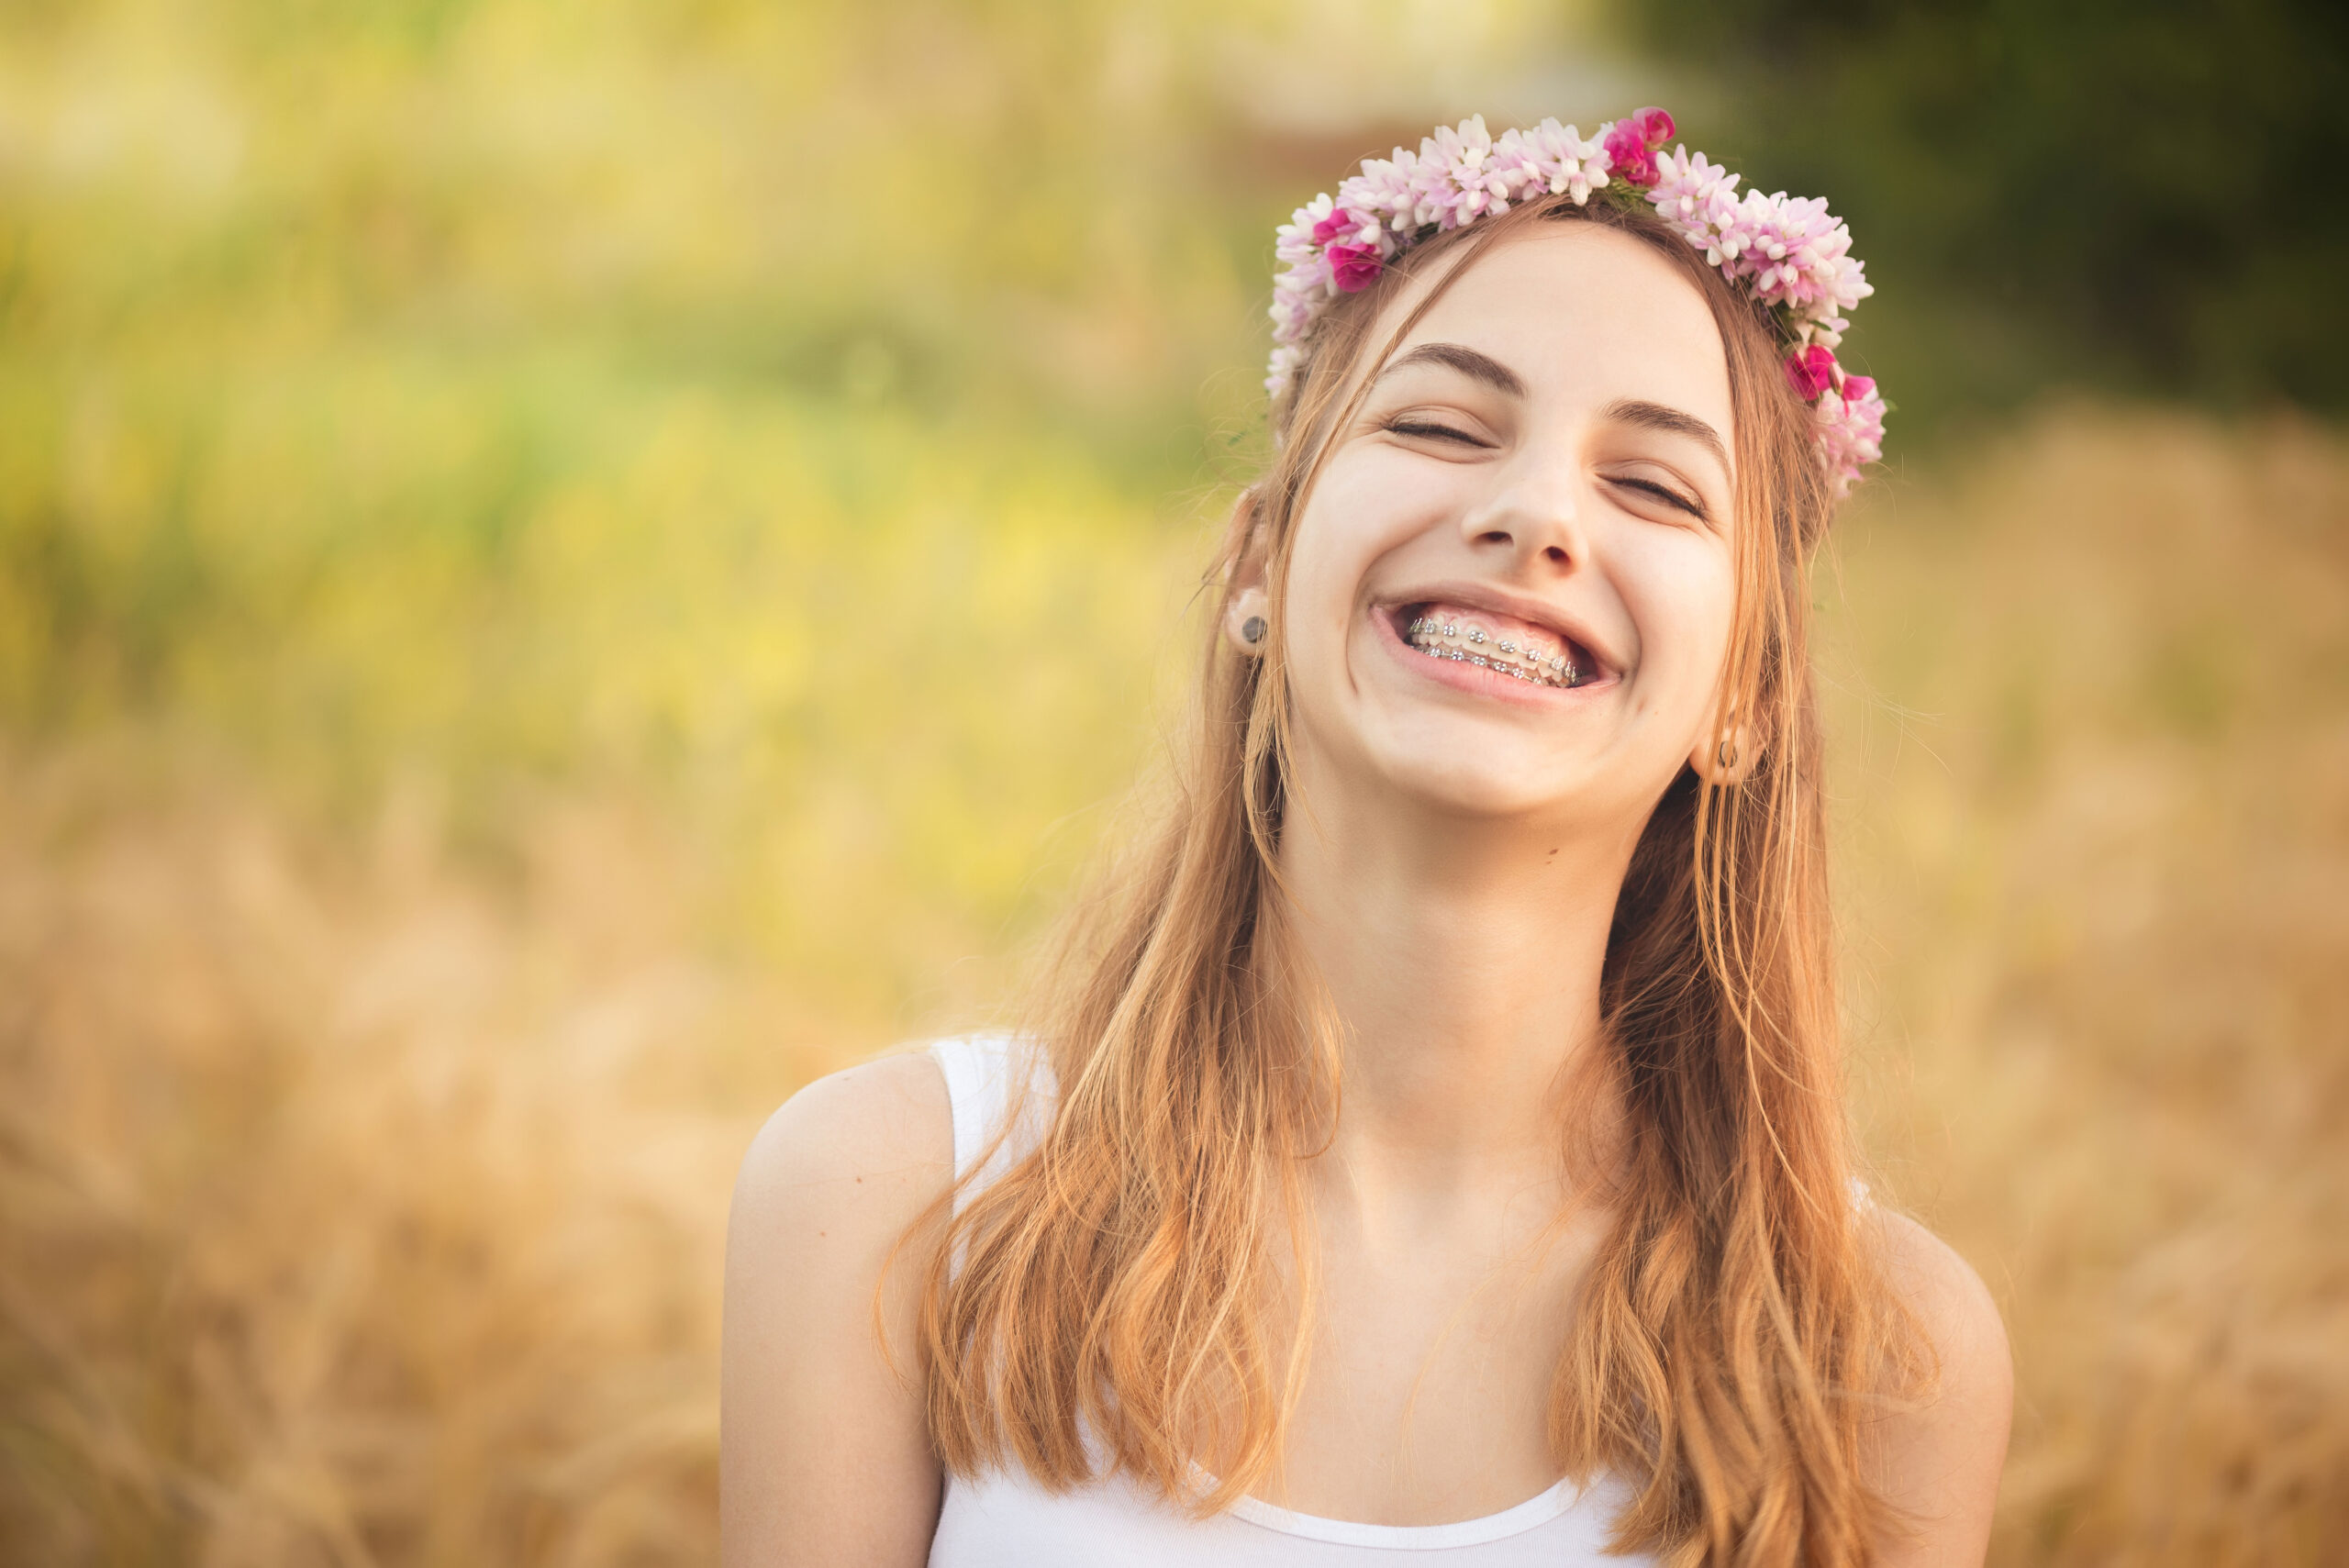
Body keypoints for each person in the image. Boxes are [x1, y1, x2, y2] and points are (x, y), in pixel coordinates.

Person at [720, 111, 2010, 1567]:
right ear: (1261, 561)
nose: (1533, 515)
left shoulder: (1878, 1359)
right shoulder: (888, 1202)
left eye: (1651, 484)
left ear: (1749, 691)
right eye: (1441, 425)